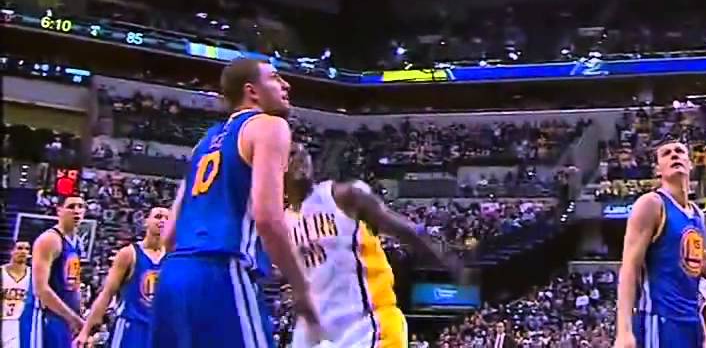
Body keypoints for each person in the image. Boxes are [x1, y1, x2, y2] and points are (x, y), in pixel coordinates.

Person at [149, 58, 321, 348]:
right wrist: (301, 286)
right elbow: (267, 218)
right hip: (222, 269)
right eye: (275, 78)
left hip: (173, 275)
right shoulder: (269, 126)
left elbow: (169, 236)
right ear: (252, 91)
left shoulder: (203, 143)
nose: (286, 85)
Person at [283, 143, 459, 348]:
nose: (300, 157)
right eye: (290, 154)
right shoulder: (283, 222)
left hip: (368, 323)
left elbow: (404, 229)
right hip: (321, 331)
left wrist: (446, 259)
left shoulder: (342, 195)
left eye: (303, 153)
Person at [614, 139, 706, 348]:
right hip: (660, 319)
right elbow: (629, 267)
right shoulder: (651, 204)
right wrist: (623, 331)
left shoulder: (698, 215)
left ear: (690, 164)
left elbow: (694, 277)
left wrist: (703, 329)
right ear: (658, 170)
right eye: (666, 153)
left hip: (691, 322)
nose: (674, 155)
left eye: (679, 151)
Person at [73, 207, 169, 348]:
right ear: (146, 221)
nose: (163, 221)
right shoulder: (129, 254)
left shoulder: (173, 257)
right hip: (130, 326)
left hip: (160, 329)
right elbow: (106, 294)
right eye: (158, 216)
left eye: (167, 218)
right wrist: (85, 331)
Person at [19, 196, 86, 348]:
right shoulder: (49, 240)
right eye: (71, 207)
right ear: (59, 210)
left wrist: (78, 311)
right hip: (43, 315)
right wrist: (73, 318)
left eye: (80, 207)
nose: (77, 211)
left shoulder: (78, 242)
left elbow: (73, 283)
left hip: (64, 315)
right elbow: (41, 290)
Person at [3, 242, 32, 348]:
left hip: (20, 323)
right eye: (19, 248)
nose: (23, 252)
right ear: (11, 251)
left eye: (27, 249)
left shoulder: (34, 275)